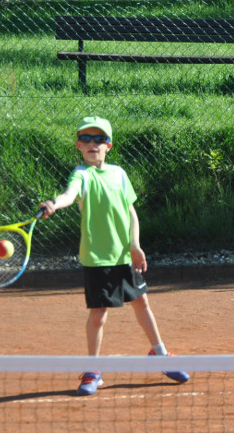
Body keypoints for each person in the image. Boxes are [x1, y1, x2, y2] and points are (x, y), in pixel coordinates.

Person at [39, 116, 189, 395]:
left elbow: (131, 212)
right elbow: (70, 195)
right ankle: (93, 370)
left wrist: (135, 245)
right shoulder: (81, 174)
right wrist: (54, 205)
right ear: (78, 145)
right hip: (97, 258)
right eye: (86, 139)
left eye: (99, 139)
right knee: (98, 315)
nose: (92, 144)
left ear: (108, 145)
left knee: (142, 303)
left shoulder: (119, 173)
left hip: (123, 255)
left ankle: (159, 354)